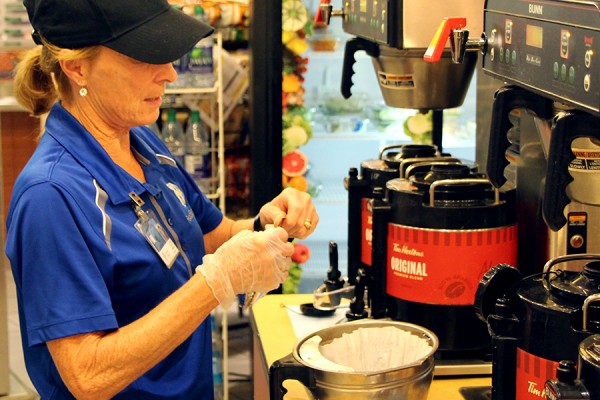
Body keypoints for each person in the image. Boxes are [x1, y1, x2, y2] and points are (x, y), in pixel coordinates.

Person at [5, 0, 319, 399]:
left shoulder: (144, 141)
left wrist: (264, 226)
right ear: (77, 66)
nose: (169, 73)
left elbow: (210, 235)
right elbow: (88, 377)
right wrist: (215, 283)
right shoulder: (50, 198)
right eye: (144, 55)